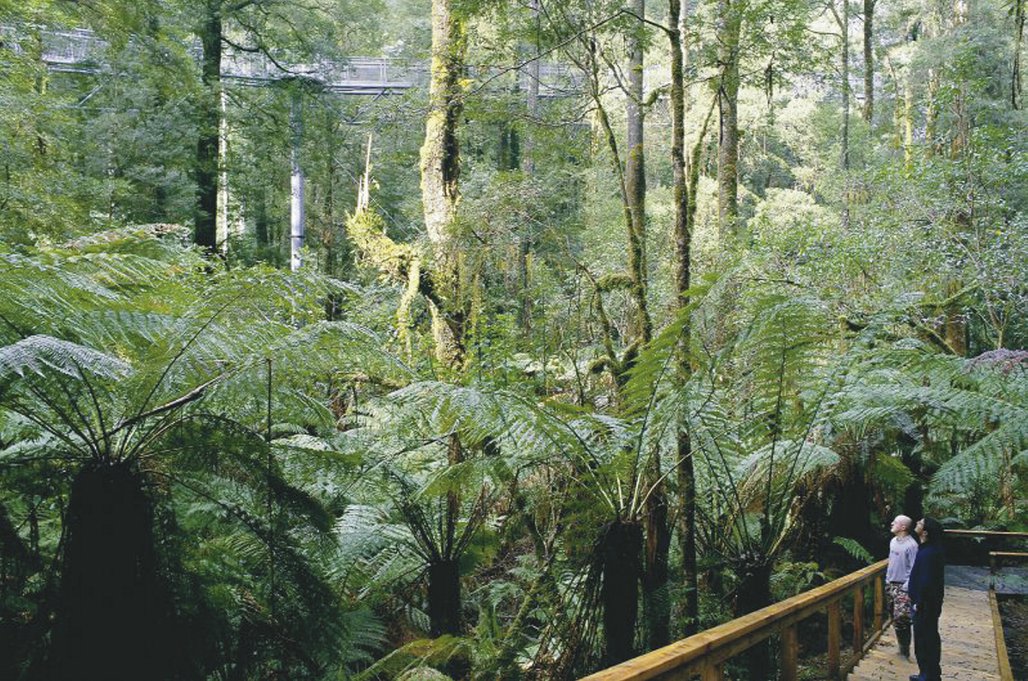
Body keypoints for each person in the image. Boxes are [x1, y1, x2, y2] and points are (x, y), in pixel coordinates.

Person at [906, 517, 945, 681]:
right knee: (927, 637)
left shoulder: (929, 553)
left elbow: (927, 581)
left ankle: (928, 675)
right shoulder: (928, 549)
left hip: (925, 605)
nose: (917, 524)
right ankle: (929, 674)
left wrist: (919, 602)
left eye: (920, 523)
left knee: (925, 639)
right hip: (927, 603)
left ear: (925, 532)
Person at [885, 515, 918, 658]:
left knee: (902, 618)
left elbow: (915, 568)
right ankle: (901, 647)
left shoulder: (911, 545)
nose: (892, 523)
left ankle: (905, 651)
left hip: (903, 586)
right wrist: (887, 580)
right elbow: (891, 562)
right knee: (893, 615)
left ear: (903, 527)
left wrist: (906, 587)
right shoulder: (893, 541)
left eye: (896, 522)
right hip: (891, 584)